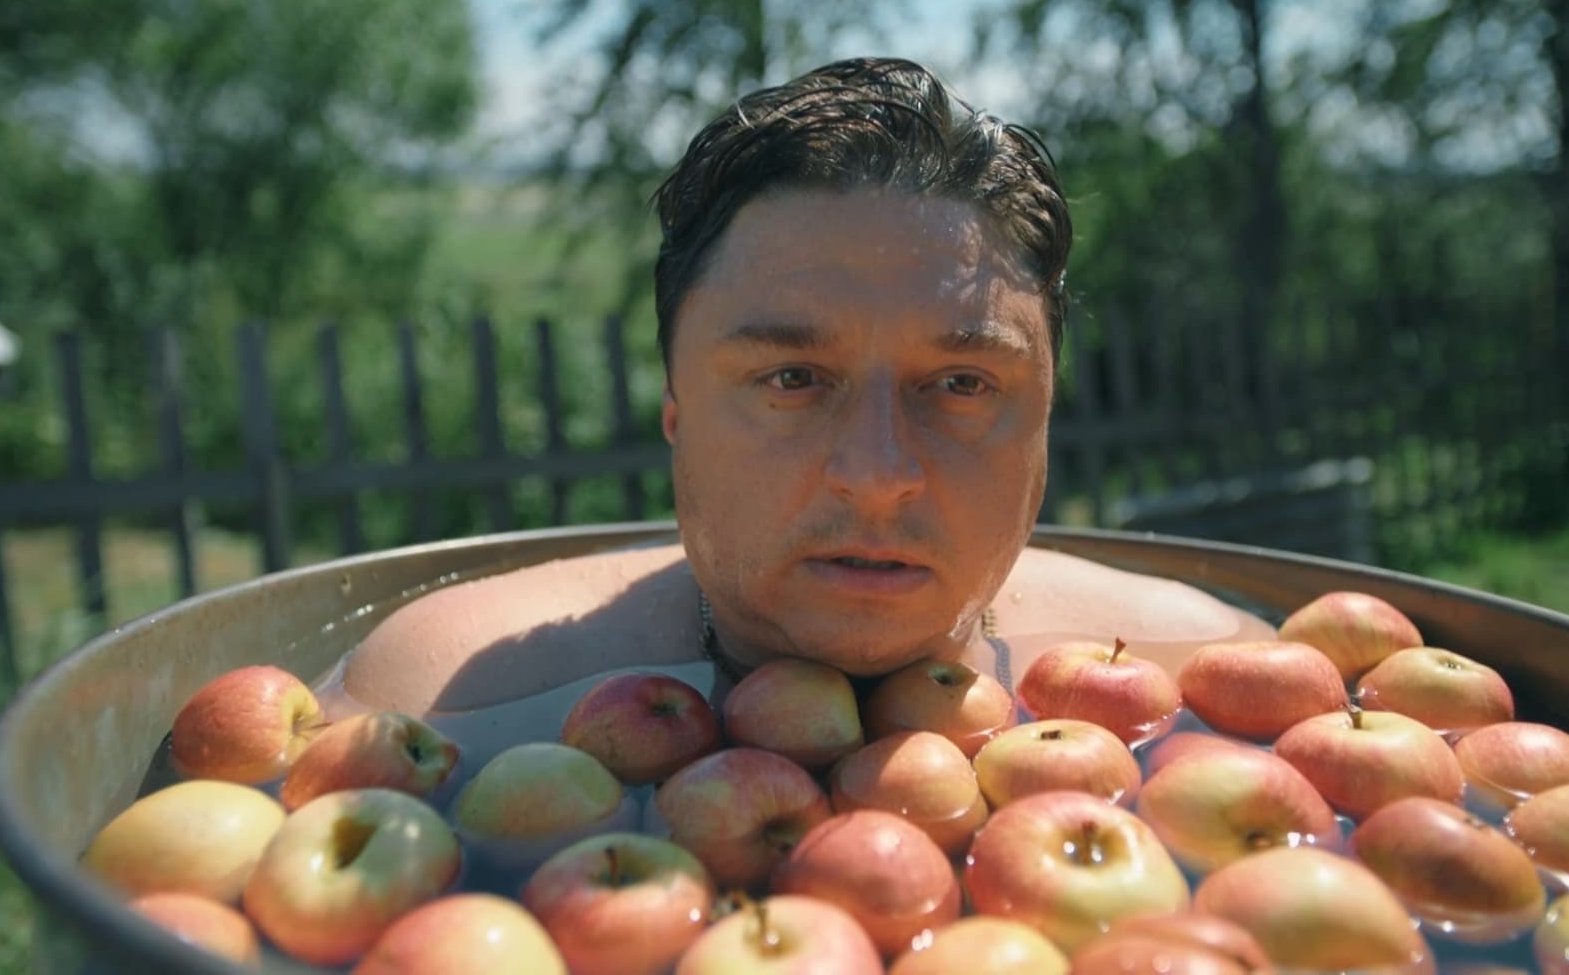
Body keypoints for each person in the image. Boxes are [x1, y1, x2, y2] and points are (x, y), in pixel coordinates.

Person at [342, 57, 1272, 718]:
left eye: (960, 382)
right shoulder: (443, 697)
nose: (876, 475)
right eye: (793, 378)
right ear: (676, 412)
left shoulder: (1218, 678)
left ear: (1044, 421)